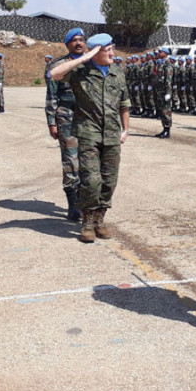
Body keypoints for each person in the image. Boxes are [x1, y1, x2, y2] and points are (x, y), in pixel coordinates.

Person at [49, 34, 130, 242]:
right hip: (88, 133)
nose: (112, 53)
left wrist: (126, 129)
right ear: (96, 53)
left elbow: (124, 104)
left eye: (112, 48)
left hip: (112, 134)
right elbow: (54, 74)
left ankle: (99, 220)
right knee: (91, 180)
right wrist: (84, 58)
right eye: (107, 50)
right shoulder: (80, 71)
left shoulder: (117, 72)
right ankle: (87, 222)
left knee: (109, 181)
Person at [45, 28, 86, 221]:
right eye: (74, 40)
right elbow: (52, 96)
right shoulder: (58, 65)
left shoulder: (92, 62)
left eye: (81, 40)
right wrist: (51, 122)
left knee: (89, 159)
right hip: (66, 116)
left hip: (89, 117)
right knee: (71, 160)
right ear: (67, 44)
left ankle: (85, 199)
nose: (78, 43)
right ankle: (73, 203)